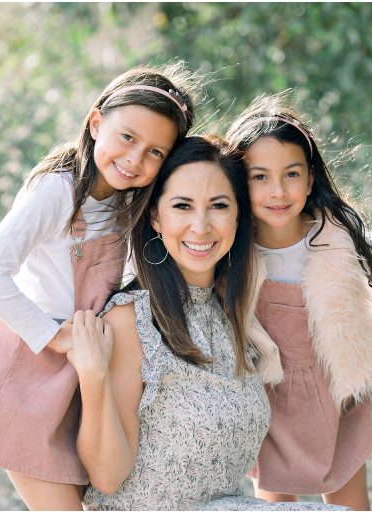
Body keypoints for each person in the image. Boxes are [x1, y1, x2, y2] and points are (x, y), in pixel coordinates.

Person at [0, 63, 197, 510]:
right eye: (127, 137)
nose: (135, 159)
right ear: (96, 121)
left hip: (81, 372)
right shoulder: (57, 192)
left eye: (155, 152)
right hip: (28, 375)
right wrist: (56, 336)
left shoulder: (128, 201)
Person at [66, 136, 347, 511]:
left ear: (237, 216)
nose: (201, 226)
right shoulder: (130, 320)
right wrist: (93, 376)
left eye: (218, 206)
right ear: (155, 216)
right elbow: (107, 477)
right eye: (182, 206)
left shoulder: (231, 313)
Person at [225, 93, 372, 510]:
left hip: (336, 397)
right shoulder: (232, 248)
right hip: (269, 400)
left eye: (291, 174)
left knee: (351, 505)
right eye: (259, 177)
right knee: (277, 504)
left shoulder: (334, 239)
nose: (277, 191)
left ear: (311, 177)